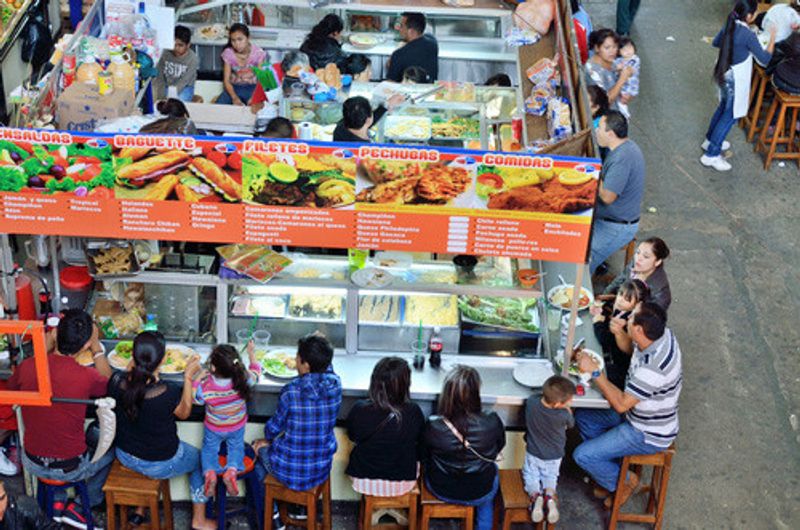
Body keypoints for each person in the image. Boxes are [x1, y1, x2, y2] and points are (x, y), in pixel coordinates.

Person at [9, 309, 113, 528]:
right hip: (71, 467)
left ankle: (56, 501)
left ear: (54, 333)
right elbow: (107, 380)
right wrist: (96, 348)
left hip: (32, 462)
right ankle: (78, 507)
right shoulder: (86, 376)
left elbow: (12, 386)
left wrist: (42, 350)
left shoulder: (27, 366)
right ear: (84, 346)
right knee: (111, 450)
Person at [573, 302, 682, 509]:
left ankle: (625, 481)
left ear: (639, 330)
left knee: (582, 455)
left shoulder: (654, 368)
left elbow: (622, 404)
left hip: (646, 431)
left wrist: (595, 372)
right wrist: (619, 332)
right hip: (638, 411)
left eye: (631, 318)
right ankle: (607, 472)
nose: (626, 319)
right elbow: (631, 348)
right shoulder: (661, 334)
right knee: (585, 417)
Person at [107, 331, 215, 530]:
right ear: (163, 359)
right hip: (159, 461)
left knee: (148, 444)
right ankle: (199, 520)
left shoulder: (115, 382)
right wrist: (188, 378)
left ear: (134, 357)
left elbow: (131, 376)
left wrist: (138, 363)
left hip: (125, 454)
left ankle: (140, 510)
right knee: (202, 461)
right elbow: (184, 413)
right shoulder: (166, 391)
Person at [251, 333, 342, 528]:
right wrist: (321, 347)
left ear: (306, 364)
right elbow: (328, 369)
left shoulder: (291, 391)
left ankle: (274, 519)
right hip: (321, 468)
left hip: (290, 471)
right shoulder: (336, 385)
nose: (295, 361)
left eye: (298, 358)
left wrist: (267, 441)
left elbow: (272, 430)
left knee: (255, 452)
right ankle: (299, 510)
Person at [423, 365, 505, 530]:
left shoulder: (433, 425)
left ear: (447, 394)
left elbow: (424, 456)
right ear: (476, 394)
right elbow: (499, 447)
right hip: (480, 489)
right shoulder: (492, 420)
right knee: (486, 500)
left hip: (441, 488)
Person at [701, 0, 775, 172]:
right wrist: (772, 38)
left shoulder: (730, 24)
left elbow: (716, 42)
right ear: (749, 16)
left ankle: (710, 140)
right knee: (730, 116)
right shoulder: (747, 35)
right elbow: (764, 60)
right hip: (735, 78)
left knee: (722, 109)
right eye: (755, 13)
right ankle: (712, 154)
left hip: (724, 73)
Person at [346, 358, 424, 499]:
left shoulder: (359, 409)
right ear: (405, 384)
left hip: (362, 480)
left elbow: (352, 436)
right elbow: (420, 442)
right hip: (404, 481)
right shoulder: (414, 411)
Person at [194, 342, 261, 497]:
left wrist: (197, 379)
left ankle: (210, 473)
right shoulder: (243, 380)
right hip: (236, 425)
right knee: (236, 447)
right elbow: (256, 372)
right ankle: (231, 470)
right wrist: (251, 353)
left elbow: (196, 399)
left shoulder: (206, 387)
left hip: (214, 427)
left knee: (209, 449)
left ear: (213, 368)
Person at [589, 110, 645, 274]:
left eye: (599, 128)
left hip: (615, 226)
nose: (596, 131)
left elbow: (607, 197)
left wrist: (593, 174)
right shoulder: (627, 147)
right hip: (609, 219)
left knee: (582, 261)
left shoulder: (622, 159)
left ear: (611, 134)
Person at [522, 376, 575, 525]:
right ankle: (550, 497)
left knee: (531, 476)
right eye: (569, 400)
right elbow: (571, 424)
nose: (570, 402)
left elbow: (536, 398)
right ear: (558, 404)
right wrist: (569, 411)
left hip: (534, 452)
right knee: (551, 477)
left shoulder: (532, 402)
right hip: (554, 455)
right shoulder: (564, 415)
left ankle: (535, 496)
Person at [592, 279, 650, 389]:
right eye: (620, 294)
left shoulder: (627, 322)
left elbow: (605, 339)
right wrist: (598, 310)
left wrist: (598, 322)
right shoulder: (617, 306)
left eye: (627, 299)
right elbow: (605, 310)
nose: (620, 300)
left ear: (636, 305)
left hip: (617, 366)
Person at [603, 237, 672, 311]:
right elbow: (618, 281)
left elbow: (652, 318)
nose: (638, 258)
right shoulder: (636, 263)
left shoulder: (660, 291)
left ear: (657, 262)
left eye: (646, 256)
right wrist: (603, 298)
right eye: (638, 252)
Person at [585, 29, 635, 110]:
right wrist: (622, 79)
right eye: (607, 48)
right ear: (597, 48)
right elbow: (604, 103)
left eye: (615, 47)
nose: (612, 51)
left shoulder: (610, 61)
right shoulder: (592, 72)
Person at [218, 23, 267, 105]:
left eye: (240, 39)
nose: (237, 44)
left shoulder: (258, 53)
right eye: (233, 40)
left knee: (257, 110)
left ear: (248, 38)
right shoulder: (228, 54)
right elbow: (226, 81)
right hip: (233, 88)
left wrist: (254, 97)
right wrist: (234, 97)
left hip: (253, 88)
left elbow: (261, 80)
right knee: (218, 108)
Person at [387, 13, 439, 82]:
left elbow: (390, 82)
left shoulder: (399, 55)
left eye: (401, 26)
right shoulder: (433, 42)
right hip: (429, 89)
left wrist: (399, 47)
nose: (398, 28)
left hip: (406, 91)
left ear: (411, 31)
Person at [154, 25, 199, 102]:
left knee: (179, 102)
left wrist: (171, 96)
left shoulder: (193, 59)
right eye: (174, 44)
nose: (176, 48)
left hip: (185, 87)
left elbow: (184, 81)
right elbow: (160, 76)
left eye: (180, 45)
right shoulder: (164, 54)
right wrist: (161, 96)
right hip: (166, 86)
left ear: (188, 45)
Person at [333, 95, 403, 143]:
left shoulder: (340, 128)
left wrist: (387, 104)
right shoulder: (366, 149)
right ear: (368, 120)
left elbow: (365, 121)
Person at [613, 37, 640, 118]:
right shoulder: (619, 60)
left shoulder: (635, 59)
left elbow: (629, 70)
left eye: (630, 48)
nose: (628, 52)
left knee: (623, 101)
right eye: (624, 50)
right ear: (619, 52)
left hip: (630, 87)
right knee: (619, 99)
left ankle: (624, 113)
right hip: (622, 86)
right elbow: (613, 67)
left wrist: (620, 68)